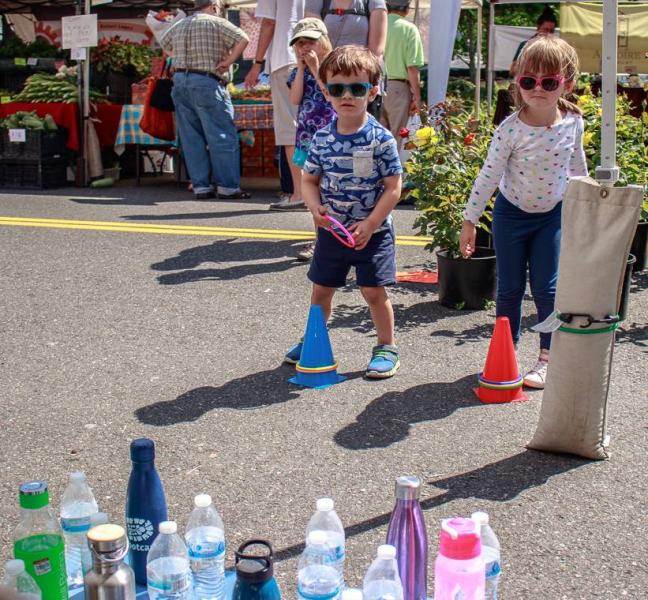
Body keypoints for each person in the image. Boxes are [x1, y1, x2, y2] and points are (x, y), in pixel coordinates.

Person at [459, 36, 588, 389]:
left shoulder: (574, 123)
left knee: (547, 289)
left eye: (549, 82)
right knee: (509, 289)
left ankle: (548, 356)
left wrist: (584, 215)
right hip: (511, 215)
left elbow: (578, 170)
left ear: (567, 84)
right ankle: (507, 351)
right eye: (528, 81)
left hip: (551, 216)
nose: (537, 89)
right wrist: (470, 221)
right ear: (517, 81)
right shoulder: (510, 129)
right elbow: (489, 175)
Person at [284, 45, 403, 378]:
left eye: (357, 88)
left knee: (373, 291)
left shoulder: (381, 138)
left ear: (373, 90)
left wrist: (371, 222)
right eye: (337, 88)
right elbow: (309, 180)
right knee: (321, 290)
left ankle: (386, 347)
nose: (346, 95)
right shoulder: (321, 139)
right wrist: (314, 207)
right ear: (325, 91)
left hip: (373, 233)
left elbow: (394, 187)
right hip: (333, 231)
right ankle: (313, 338)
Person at [160, 0, 250, 200]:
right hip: (207, 80)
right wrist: (227, 62)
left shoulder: (181, 24)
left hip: (181, 81)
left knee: (191, 138)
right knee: (221, 136)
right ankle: (227, 187)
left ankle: (201, 186)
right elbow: (244, 38)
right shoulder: (216, 22)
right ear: (214, 6)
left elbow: (163, 43)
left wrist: (178, 59)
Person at [244, 0, 306, 211]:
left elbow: (269, 23)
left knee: (290, 129)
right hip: (317, 56)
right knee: (313, 126)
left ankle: (299, 193)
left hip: (285, 58)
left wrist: (257, 63)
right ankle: (313, 192)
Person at [287, 18, 336, 262]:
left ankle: (329, 238)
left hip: (332, 136)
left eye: (310, 42)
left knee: (332, 188)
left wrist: (316, 69)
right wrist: (301, 67)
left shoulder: (334, 66)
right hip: (308, 136)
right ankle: (320, 238)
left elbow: (331, 96)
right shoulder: (297, 71)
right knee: (313, 189)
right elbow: (295, 99)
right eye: (300, 43)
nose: (305, 48)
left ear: (323, 41)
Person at [305, 0, 388, 118]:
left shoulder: (373, 2)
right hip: (328, 85)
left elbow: (376, 51)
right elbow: (315, 46)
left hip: (361, 86)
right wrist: (329, 82)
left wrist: (352, 79)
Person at [380, 0, 423, 149]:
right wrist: (417, 97)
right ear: (406, 9)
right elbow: (412, 68)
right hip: (398, 88)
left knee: (377, 136)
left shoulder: (377, 26)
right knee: (396, 137)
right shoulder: (409, 29)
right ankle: (392, 172)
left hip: (374, 86)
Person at [509, 7, 557, 78]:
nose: (548, 34)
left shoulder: (556, 48)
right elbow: (512, 71)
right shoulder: (525, 45)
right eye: (545, 30)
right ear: (538, 27)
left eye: (551, 31)